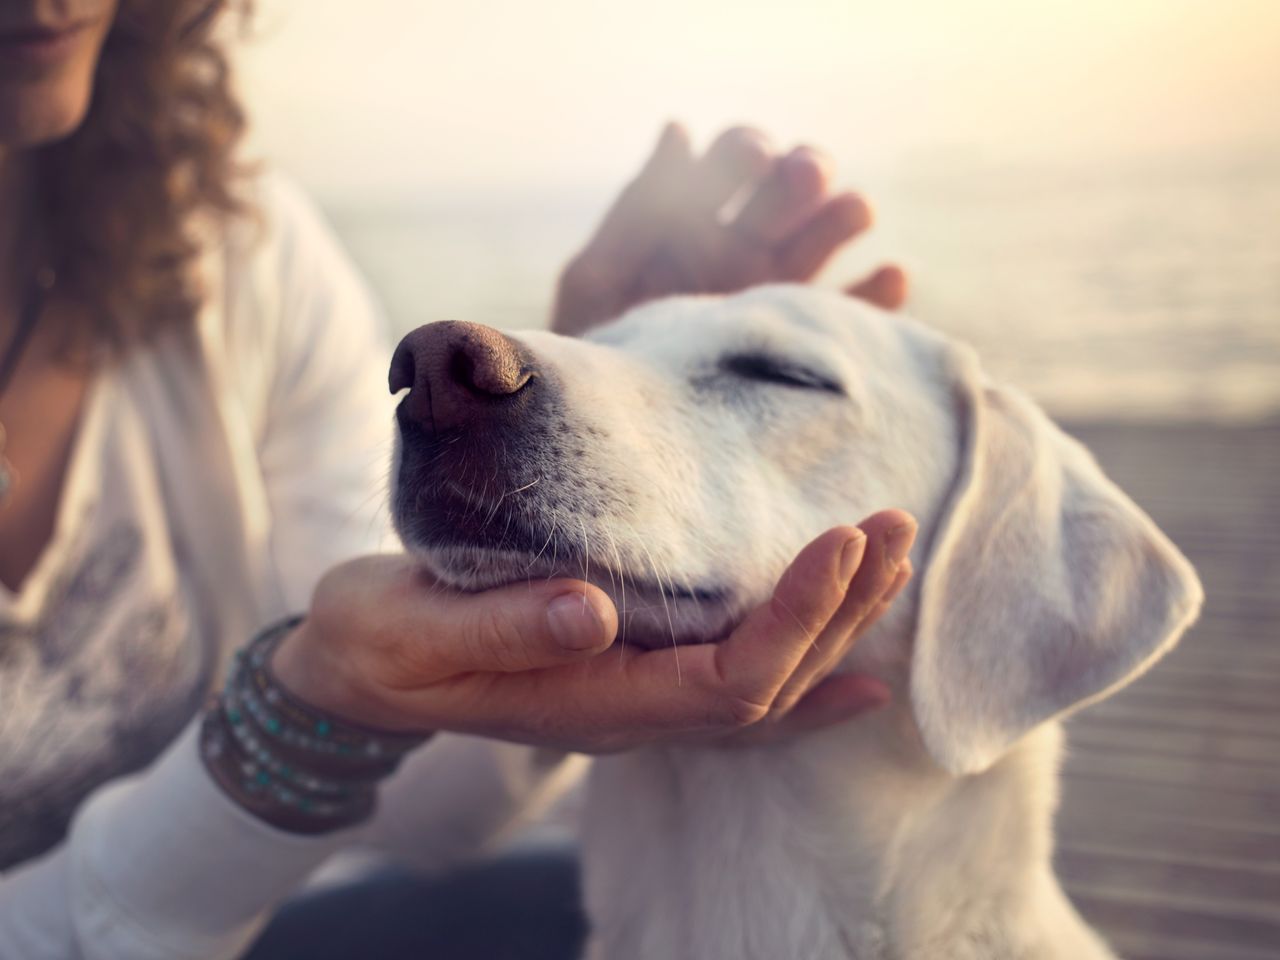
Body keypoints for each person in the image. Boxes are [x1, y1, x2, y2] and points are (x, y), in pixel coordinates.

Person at [0, 1, 916, 957]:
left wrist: (598, 428)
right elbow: (338, 701)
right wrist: (304, 705)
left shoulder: (229, 247)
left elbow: (421, 814)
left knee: (591, 905)